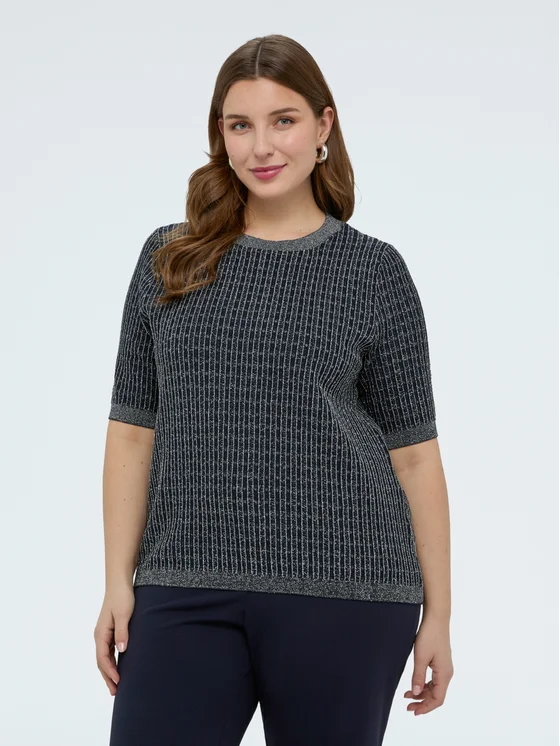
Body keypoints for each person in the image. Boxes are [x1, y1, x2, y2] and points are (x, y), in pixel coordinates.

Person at [94, 33, 453, 746]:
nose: (261, 145)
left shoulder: (374, 273)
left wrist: (439, 613)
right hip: (182, 586)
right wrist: (117, 581)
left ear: (323, 126)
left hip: (349, 591)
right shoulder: (169, 258)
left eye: (283, 120)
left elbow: (414, 455)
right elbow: (133, 431)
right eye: (240, 124)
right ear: (220, 135)